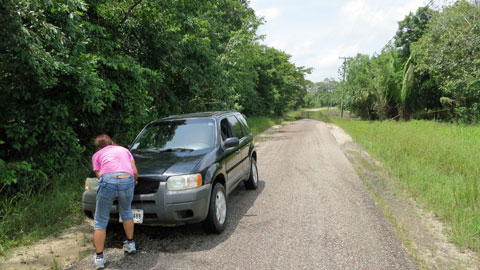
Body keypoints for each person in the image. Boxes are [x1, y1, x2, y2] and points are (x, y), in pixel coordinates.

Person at [91, 134, 138, 269]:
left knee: (100, 219)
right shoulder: (124, 150)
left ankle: (99, 258)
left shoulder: (97, 155)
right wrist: (134, 181)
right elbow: (134, 172)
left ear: (98, 147)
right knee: (126, 212)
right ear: (111, 142)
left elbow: (100, 175)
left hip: (108, 181)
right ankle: (130, 244)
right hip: (127, 179)